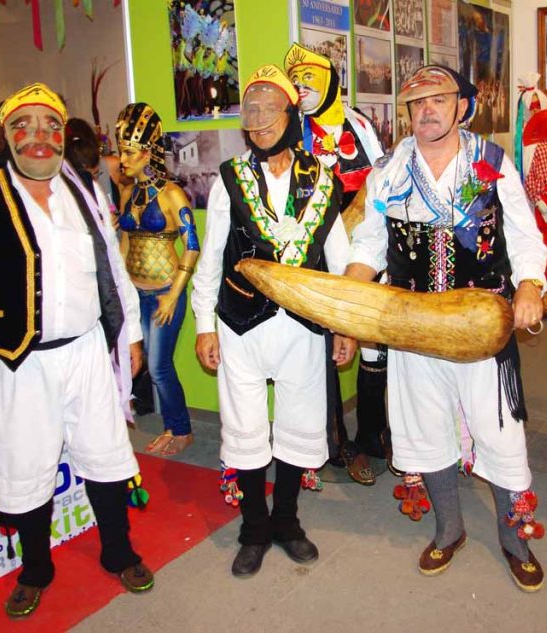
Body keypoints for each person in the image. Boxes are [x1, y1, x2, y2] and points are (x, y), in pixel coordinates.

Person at [0, 83, 152, 618]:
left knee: (105, 453)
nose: (40, 137)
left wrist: (131, 335)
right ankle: (35, 569)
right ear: (6, 136)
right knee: (25, 463)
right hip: (17, 359)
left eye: (51, 126)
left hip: (87, 351)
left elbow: (112, 268)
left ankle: (118, 552)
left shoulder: (86, 189)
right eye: (24, 126)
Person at [346, 65, 547, 592]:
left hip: (482, 326)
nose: (427, 111)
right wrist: (350, 296)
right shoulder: (388, 170)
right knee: (423, 429)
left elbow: (525, 237)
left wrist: (530, 287)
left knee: (499, 432)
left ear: (463, 106)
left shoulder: (492, 162)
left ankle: (514, 537)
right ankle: (449, 529)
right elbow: (368, 246)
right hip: (413, 328)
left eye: (439, 100)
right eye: (417, 103)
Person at [191, 65, 351, 578]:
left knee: (300, 426)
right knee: (245, 427)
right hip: (241, 324)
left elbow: (341, 260)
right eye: (249, 110)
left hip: (302, 328)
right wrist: (203, 325)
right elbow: (211, 257)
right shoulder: (230, 180)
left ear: (290, 114)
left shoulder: (322, 178)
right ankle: (253, 529)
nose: (257, 120)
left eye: (267, 108)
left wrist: (344, 324)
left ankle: (286, 521)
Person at [284, 42, 386, 485]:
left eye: (310, 78)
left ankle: (370, 435)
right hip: (316, 249)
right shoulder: (292, 130)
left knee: (371, 341)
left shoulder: (357, 124)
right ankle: (333, 440)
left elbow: (380, 178)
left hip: (362, 244)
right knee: (319, 344)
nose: (303, 89)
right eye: (297, 81)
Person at [114, 102, 199, 456]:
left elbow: (191, 246)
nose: (123, 159)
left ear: (149, 153)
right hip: (135, 294)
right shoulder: (128, 192)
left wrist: (174, 296)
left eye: (130, 152)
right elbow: (123, 243)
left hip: (165, 291)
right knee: (146, 363)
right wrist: (118, 289)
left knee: (159, 366)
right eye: (121, 151)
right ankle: (169, 425)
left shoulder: (172, 194)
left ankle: (180, 428)